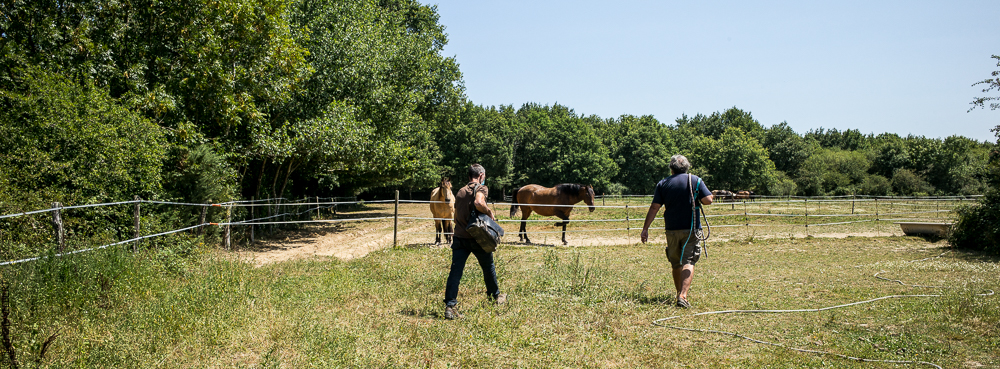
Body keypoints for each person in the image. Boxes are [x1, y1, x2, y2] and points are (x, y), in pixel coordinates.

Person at [640, 155, 713, 308]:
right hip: (691, 228)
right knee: (689, 260)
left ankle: (678, 293)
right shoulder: (695, 180)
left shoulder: (663, 183)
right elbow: (708, 200)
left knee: (675, 262)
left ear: (671, 169)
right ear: (687, 167)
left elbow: (655, 207)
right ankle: (683, 295)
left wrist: (645, 228)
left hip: (671, 229)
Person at [443, 164, 507, 319]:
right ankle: (495, 297)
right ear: (481, 175)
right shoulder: (480, 189)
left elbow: (457, 214)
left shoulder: (460, 191)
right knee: (488, 267)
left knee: (455, 272)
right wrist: (488, 210)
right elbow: (478, 203)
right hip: (477, 237)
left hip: (459, 237)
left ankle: (450, 307)